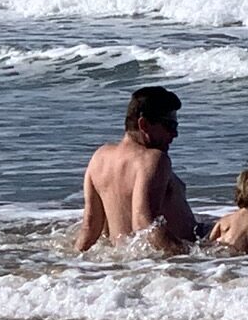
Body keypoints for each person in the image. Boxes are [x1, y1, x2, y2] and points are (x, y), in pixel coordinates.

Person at [75, 86, 197, 255]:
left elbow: (89, 228)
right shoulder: (153, 159)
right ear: (144, 124)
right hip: (164, 268)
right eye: (170, 125)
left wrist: (73, 265)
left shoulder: (99, 158)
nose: (175, 134)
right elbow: (144, 224)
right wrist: (193, 259)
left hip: (133, 267)